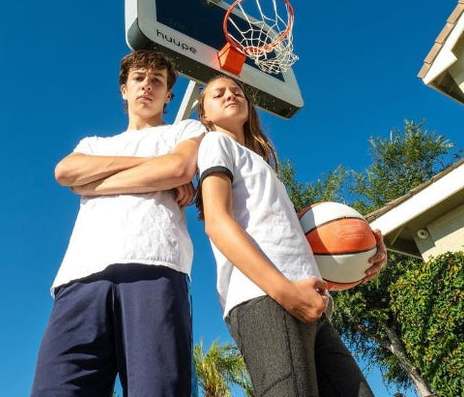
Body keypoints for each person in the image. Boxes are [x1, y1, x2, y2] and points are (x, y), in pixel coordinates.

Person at [196, 75, 387, 397]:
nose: (231, 94)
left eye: (237, 91)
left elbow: (293, 245)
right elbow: (216, 221)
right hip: (264, 296)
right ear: (204, 115)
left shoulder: (263, 166)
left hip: (308, 299)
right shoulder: (216, 143)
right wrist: (284, 291)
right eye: (218, 94)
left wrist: (358, 257)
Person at [31, 50, 205, 397]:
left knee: (157, 389)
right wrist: (154, 168)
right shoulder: (93, 144)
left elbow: (178, 169)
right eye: (138, 78)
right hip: (78, 280)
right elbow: (65, 172)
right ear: (124, 89)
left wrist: (91, 185)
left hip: (154, 267)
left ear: (169, 94)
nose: (147, 85)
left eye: (157, 80)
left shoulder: (186, 130)